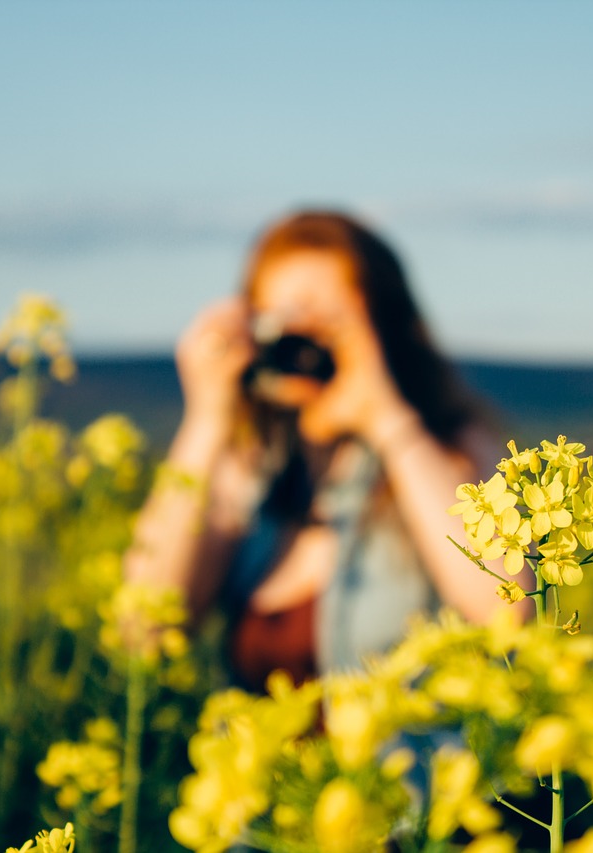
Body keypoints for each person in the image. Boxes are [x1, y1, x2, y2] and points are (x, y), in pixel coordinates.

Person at [124, 210, 518, 691]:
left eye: (324, 323)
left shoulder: (448, 448)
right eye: (279, 322)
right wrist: (208, 418)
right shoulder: (250, 472)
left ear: (382, 327)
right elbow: (143, 628)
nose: (300, 345)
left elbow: (510, 612)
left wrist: (388, 419)